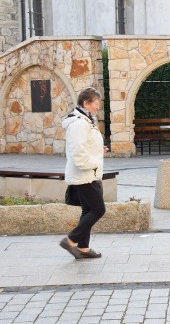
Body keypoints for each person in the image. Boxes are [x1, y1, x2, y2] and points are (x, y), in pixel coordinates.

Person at [59, 87, 108, 259]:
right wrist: (94, 163)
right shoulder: (79, 124)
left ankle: (83, 247)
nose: (97, 107)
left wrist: (98, 149)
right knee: (98, 209)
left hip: (87, 173)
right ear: (86, 103)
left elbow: (84, 145)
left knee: (88, 210)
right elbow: (77, 153)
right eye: (95, 104)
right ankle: (70, 240)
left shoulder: (85, 121)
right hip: (84, 174)